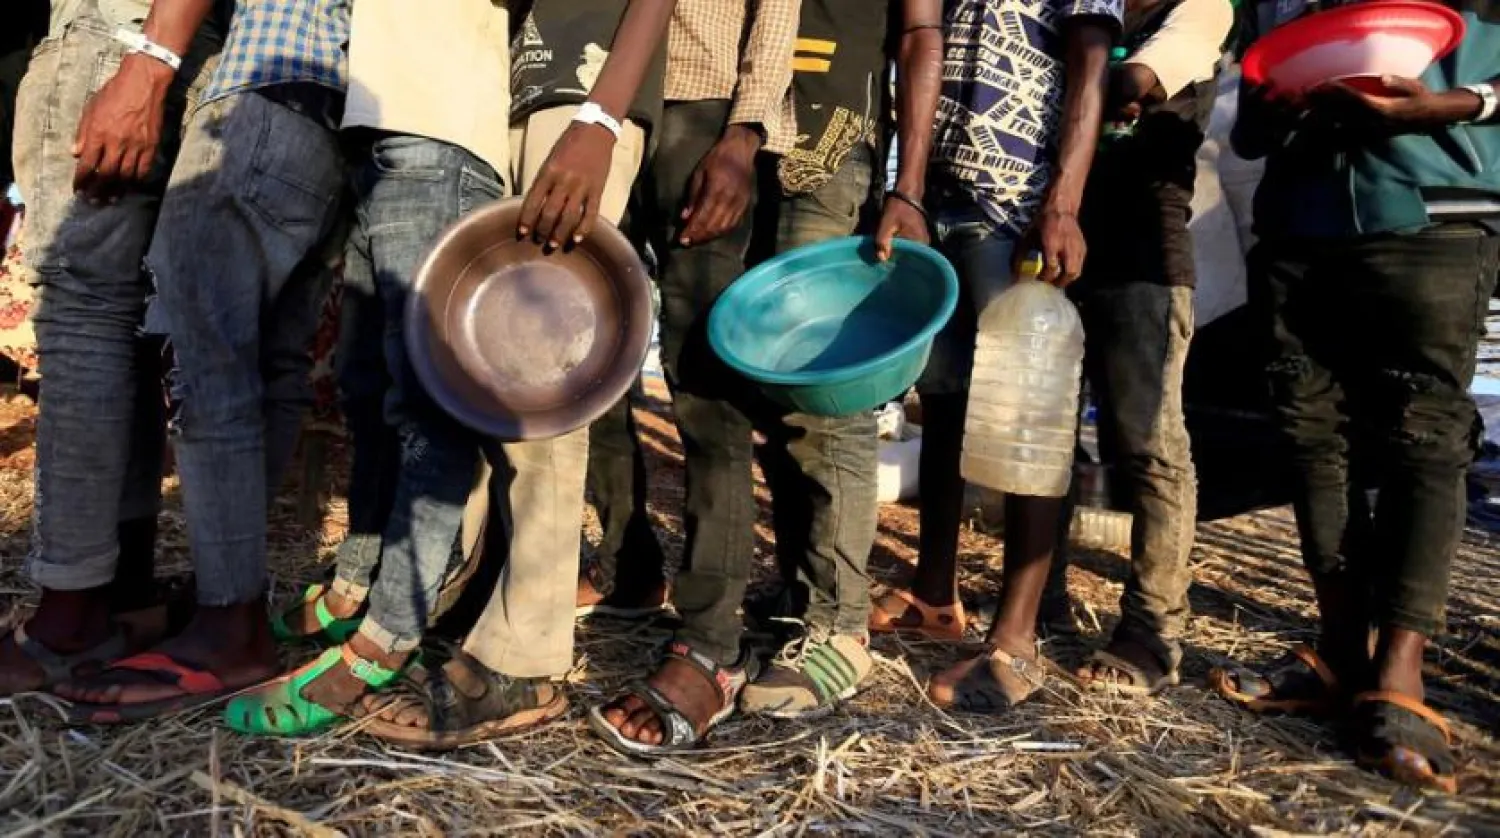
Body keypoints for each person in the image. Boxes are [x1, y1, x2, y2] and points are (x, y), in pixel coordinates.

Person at [222, 0, 673, 746]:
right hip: (519, 94)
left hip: (584, 95)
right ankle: (463, 611)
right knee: (483, 383)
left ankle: (524, 660)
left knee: (540, 391)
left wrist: (602, 119)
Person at [1210, 0, 1500, 795]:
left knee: (1423, 434)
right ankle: (1339, 649)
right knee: (1309, 435)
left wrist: (1463, 102)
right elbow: (1247, 130)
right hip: (1299, 224)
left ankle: (1399, 676)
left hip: (1432, 208)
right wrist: (1269, 113)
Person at [53, 0, 353, 723]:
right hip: (346, 106)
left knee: (204, 352)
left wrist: (153, 63)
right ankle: (229, 599)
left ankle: (231, 626)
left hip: (270, 74)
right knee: (265, 361)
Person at [871, 0, 1121, 712]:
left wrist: (1064, 203)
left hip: (1019, 203)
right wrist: (908, 189)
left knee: (1026, 410)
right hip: (940, 194)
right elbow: (921, 42)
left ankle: (1016, 639)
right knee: (945, 396)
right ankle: (934, 594)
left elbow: (1089, 60)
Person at [586, 0, 802, 755]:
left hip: (699, 111)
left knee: (707, 391)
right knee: (589, 359)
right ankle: (629, 566)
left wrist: (744, 135)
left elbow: (777, 10)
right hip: (597, 102)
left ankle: (713, 644)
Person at [0, 0, 228, 699]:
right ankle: (119, 590)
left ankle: (68, 621)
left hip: (118, 38)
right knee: (121, 331)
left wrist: (151, 61)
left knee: (83, 318)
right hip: (162, 45)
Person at [736, 0, 945, 719]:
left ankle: (841, 630)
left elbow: (920, 33)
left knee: (823, 394)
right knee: (769, 387)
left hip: (827, 151)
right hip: (741, 137)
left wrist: (907, 186)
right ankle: (802, 592)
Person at [1041, 0, 1232, 696]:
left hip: (1146, 255)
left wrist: (1079, 54)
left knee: (1148, 443)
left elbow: (1132, 82)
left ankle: (1153, 630)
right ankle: (1042, 595)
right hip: (1058, 246)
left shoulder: (1199, 9)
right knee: (1047, 436)